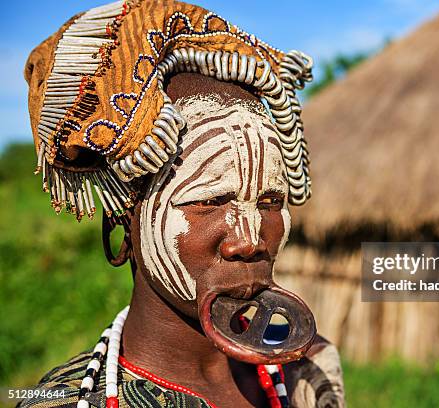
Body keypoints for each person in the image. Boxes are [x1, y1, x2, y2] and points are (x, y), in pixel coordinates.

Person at [19, 1, 344, 407]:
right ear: (123, 221)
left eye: (269, 200)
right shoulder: (63, 400)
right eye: (209, 200)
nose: (250, 240)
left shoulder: (310, 370)